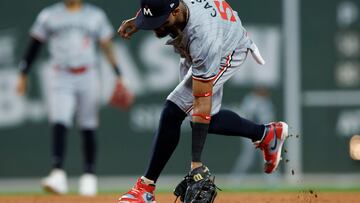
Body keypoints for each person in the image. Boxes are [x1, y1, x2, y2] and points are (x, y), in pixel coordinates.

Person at [117, 0, 288, 202]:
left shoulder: (204, 37)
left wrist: (196, 163)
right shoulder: (174, 10)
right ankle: (266, 134)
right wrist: (138, 21)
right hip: (200, 37)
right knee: (206, 119)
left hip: (227, 49)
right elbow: (157, 7)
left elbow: (201, 101)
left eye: (159, 21)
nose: (155, 27)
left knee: (174, 109)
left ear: (176, 10)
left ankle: (144, 189)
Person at [16, 0, 127, 196]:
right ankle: (57, 173)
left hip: (88, 74)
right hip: (61, 75)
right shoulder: (49, 15)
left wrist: (118, 74)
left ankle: (89, 177)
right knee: (60, 120)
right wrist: (23, 73)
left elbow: (107, 46)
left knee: (88, 123)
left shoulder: (95, 15)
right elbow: (34, 45)